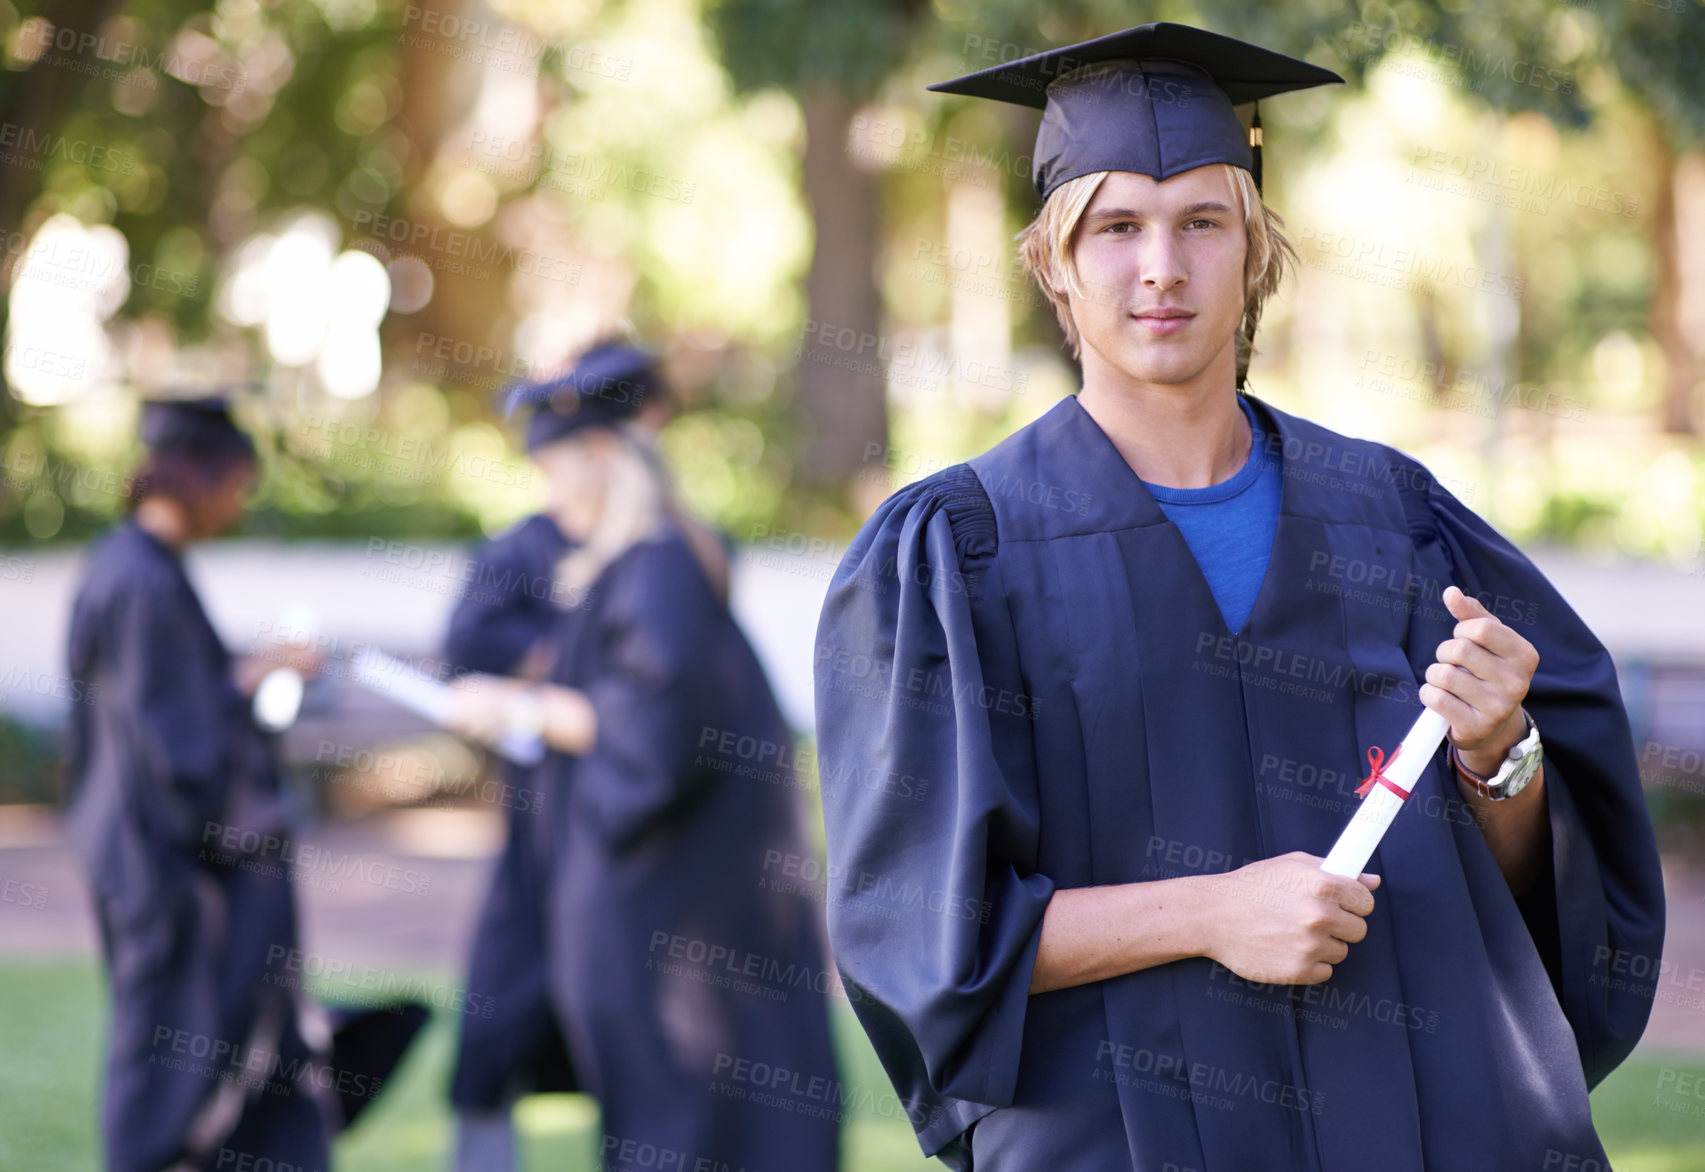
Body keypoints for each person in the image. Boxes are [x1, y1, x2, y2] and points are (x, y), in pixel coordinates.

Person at [813, 23, 1664, 1172]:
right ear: (1051, 262)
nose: (1160, 266)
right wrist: (1213, 911)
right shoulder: (962, 551)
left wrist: (1499, 755)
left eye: (1201, 221)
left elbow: (1549, 898)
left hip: (1424, 1118)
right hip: (1123, 1129)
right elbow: (923, 931)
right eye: (1114, 225)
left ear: (1255, 252)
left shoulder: (1396, 519)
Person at [443, 352, 839, 1172]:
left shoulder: (657, 567)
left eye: (555, 467)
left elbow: (654, 731)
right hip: (658, 904)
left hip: (678, 914)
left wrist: (522, 708)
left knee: (692, 1114)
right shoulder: (631, 566)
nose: (546, 490)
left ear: (602, 461)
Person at [64, 396, 425, 1172]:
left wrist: (249, 673)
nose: (238, 504)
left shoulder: (127, 569)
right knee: (168, 1055)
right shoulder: (144, 586)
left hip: (147, 859)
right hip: (174, 871)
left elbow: (170, 710)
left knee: (220, 1050)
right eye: (235, 484)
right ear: (195, 476)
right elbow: (180, 749)